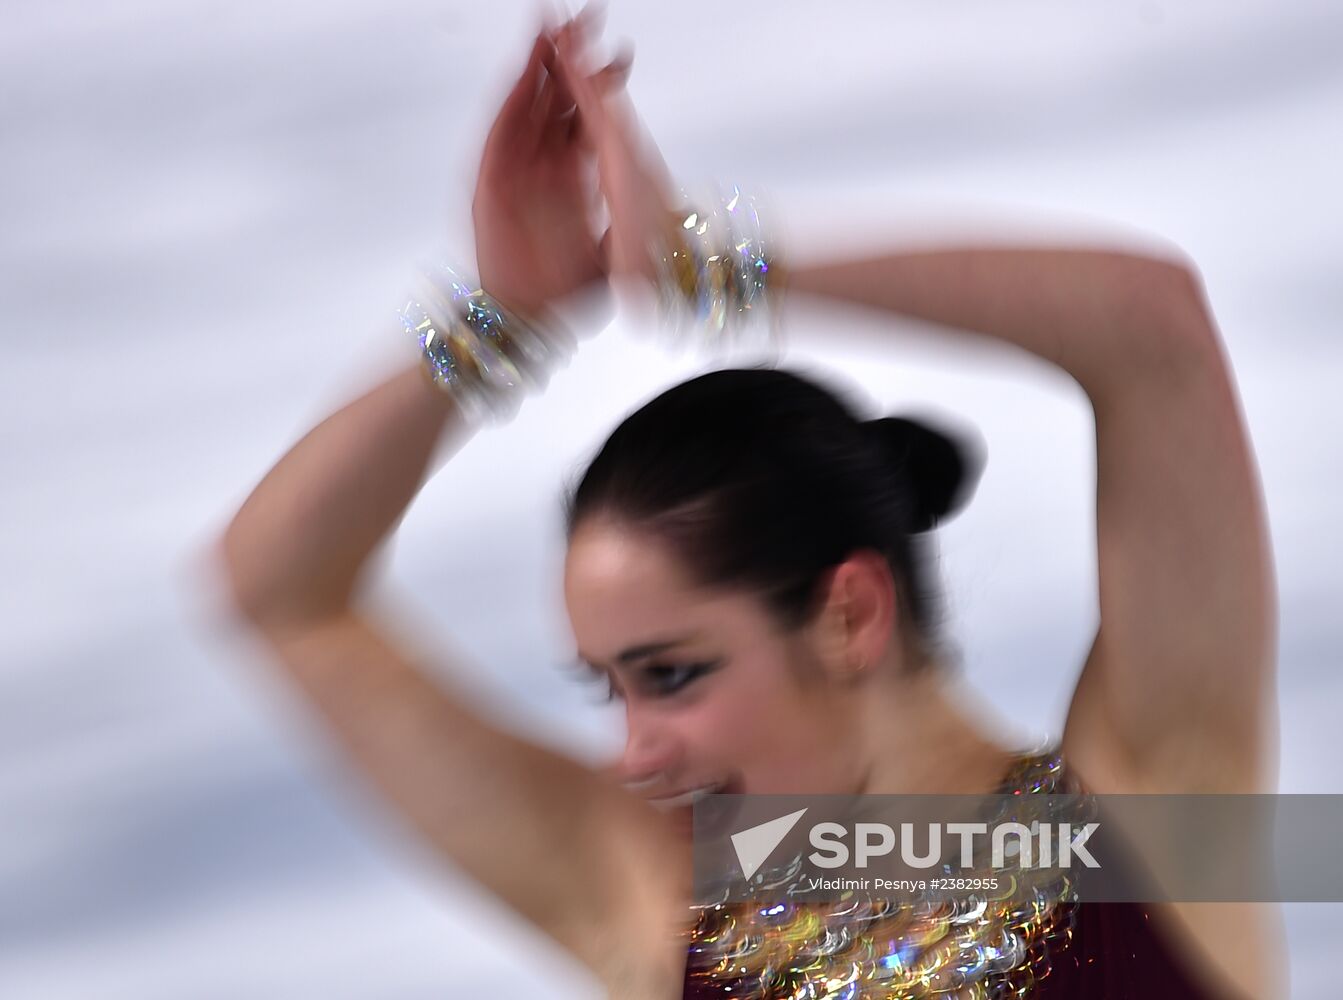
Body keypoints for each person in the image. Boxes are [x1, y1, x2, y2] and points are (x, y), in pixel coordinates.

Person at [216, 14, 1282, 999]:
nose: (636, 752)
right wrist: (508, 315)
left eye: (672, 673)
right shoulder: (644, 898)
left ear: (849, 613)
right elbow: (278, 589)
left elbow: (1151, 335)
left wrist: (707, 265)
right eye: (611, 687)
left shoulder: (1150, 804)